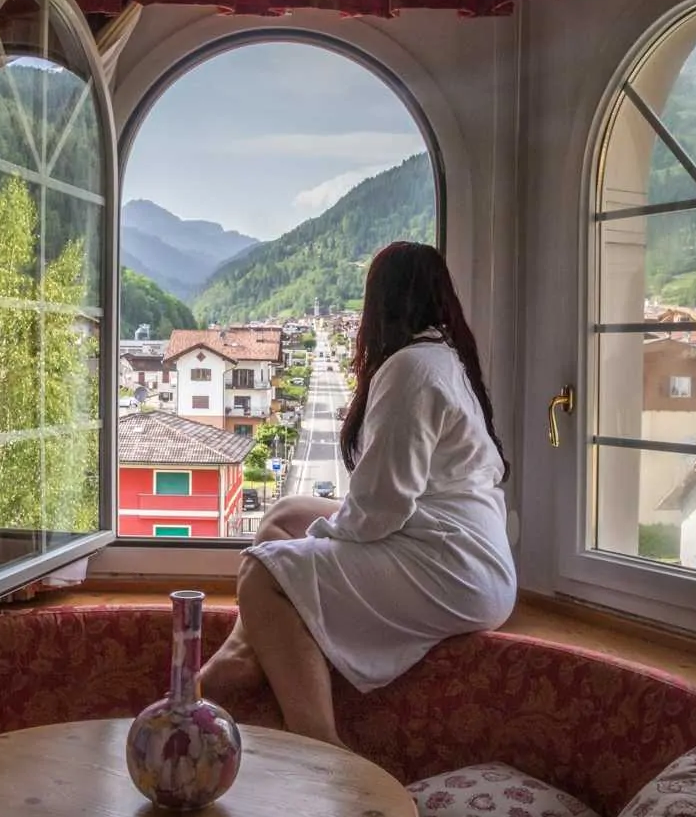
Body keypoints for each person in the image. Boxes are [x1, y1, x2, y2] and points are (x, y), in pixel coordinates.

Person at [199, 241, 516, 747]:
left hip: (449, 567)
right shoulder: (442, 360)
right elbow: (386, 506)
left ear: (380, 302)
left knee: (263, 570)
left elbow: (380, 508)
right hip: (462, 553)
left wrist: (317, 545)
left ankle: (322, 747)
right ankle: (247, 649)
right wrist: (312, 538)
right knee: (284, 515)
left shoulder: (412, 369)